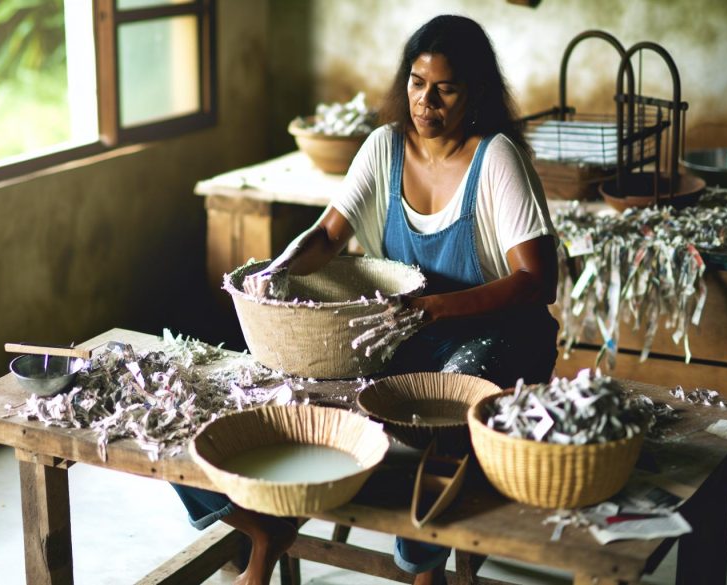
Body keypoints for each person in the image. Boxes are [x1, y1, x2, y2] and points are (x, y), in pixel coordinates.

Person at [176, 14, 559, 585]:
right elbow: (329, 236)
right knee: (254, 409)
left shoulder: (496, 158)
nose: (426, 101)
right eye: (416, 82)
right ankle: (265, 529)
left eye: (445, 88)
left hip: (495, 333)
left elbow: (537, 281)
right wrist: (280, 270)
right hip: (399, 332)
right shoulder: (385, 147)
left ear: (474, 92)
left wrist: (431, 308)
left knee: (445, 420)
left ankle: (422, 562)